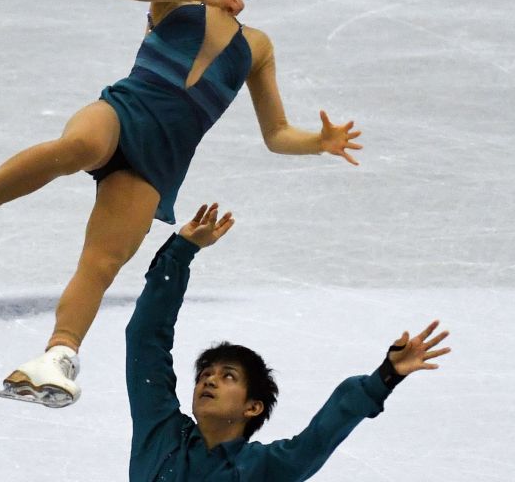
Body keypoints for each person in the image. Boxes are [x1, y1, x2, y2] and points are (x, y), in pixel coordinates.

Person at [0, 0, 363, 406]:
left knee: (103, 261)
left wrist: (318, 142)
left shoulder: (257, 47)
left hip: (160, 161)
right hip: (123, 113)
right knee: (77, 147)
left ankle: (58, 356)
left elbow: (276, 134)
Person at [127, 203, 451, 480]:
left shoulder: (266, 468)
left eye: (228, 376)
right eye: (205, 374)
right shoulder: (159, 430)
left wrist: (385, 376)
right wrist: (180, 251)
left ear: (253, 406)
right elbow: (145, 340)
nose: (209, 379)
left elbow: (326, 429)